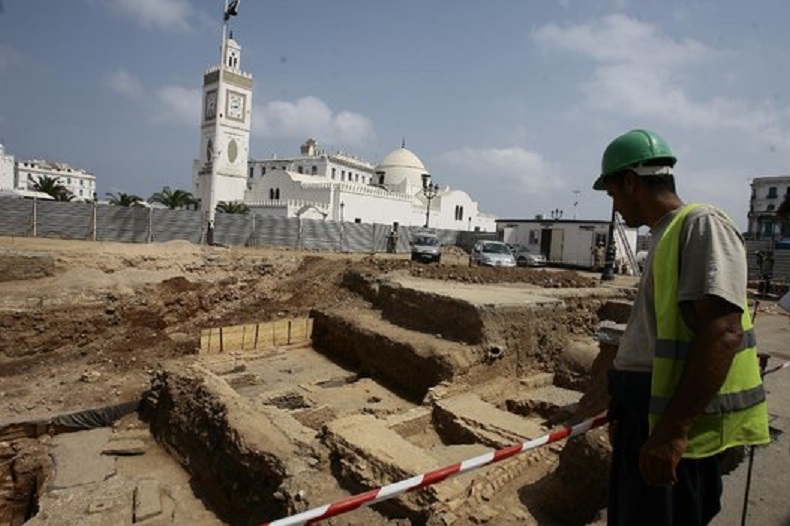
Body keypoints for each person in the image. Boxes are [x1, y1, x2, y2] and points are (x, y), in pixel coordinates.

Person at [592, 129, 770, 525]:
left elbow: (723, 331)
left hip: (672, 431)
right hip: (647, 418)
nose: (616, 206)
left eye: (613, 194)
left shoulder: (702, 225)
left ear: (630, 182)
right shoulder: (664, 234)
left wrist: (672, 432)